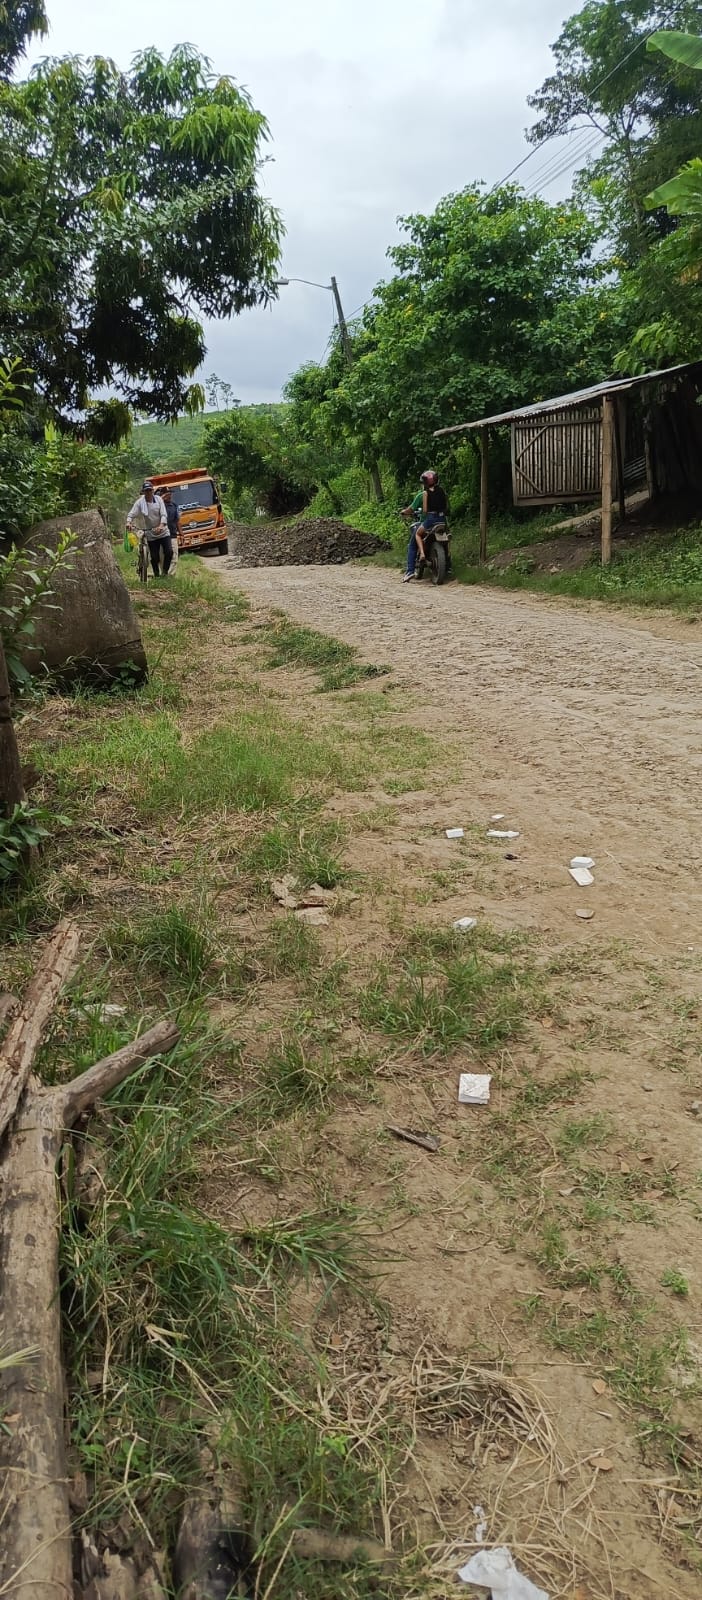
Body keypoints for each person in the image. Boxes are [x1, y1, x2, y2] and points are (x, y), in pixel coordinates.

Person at [401, 470, 448, 582]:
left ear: (425, 483)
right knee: (446, 540)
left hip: (430, 520)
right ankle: (449, 567)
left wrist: (403, 512)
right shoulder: (442, 491)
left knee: (414, 541)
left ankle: (410, 570)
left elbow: (422, 510)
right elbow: (446, 506)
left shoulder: (424, 494)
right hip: (442, 519)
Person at [126, 480, 172, 576]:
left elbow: (163, 514)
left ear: (153, 491)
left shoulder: (158, 500)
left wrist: (161, 526)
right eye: (146, 491)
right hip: (151, 533)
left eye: (150, 490)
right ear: (143, 492)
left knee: (169, 552)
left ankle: (165, 572)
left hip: (163, 531)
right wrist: (128, 522)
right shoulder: (140, 502)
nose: (148, 493)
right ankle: (156, 574)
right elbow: (131, 514)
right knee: (154, 557)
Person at [161, 487, 181, 571]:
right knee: (163, 556)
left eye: (170, 494)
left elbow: (177, 521)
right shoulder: (158, 505)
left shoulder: (174, 505)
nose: (169, 496)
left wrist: (181, 533)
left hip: (172, 534)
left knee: (174, 555)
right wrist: (161, 499)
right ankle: (164, 574)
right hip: (161, 535)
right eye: (167, 494)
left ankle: (171, 574)